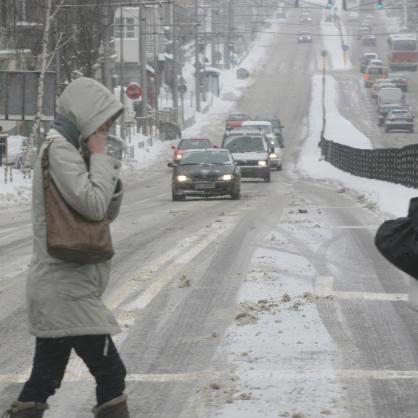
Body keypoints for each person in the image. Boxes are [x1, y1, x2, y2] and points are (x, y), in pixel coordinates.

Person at [2, 78, 129, 418]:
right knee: (111, 374)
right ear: (85, 113)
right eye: (103, 119)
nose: (106, 127)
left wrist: (98, 161)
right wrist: (100, 156)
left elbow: (103, 211)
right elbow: (93, 205)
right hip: (65, 288)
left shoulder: (72, 150)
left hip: (65, 287)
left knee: (44, 379)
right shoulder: (59, 149)